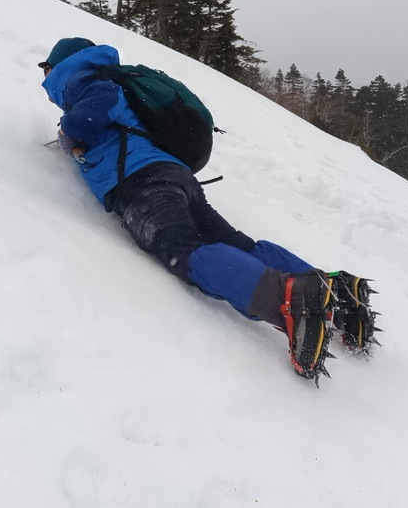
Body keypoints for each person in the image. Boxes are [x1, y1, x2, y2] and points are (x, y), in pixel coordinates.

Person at [38, 37, 378, 382]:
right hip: (173, 175)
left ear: (58, 64)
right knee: (234, 243)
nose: (45, 77)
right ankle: (335, 291)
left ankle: (290, 300)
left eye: (46, 68)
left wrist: (69, 131)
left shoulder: (77, 76)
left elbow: (102, 102)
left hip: (140, 182)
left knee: (182, 249)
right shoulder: (111, 77)